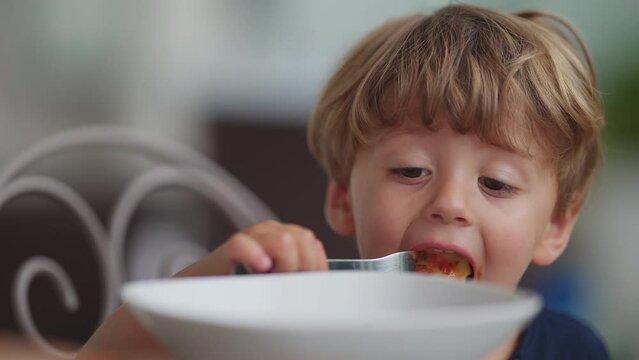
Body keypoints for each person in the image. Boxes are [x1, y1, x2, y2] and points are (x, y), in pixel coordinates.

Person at [78, 4, 609, 359]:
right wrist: (214, 285)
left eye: (495, 183)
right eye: (410, 171)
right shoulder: (295, 335)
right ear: (341, 197)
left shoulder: (571, 349)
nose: (450, 204)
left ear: (555, 226)